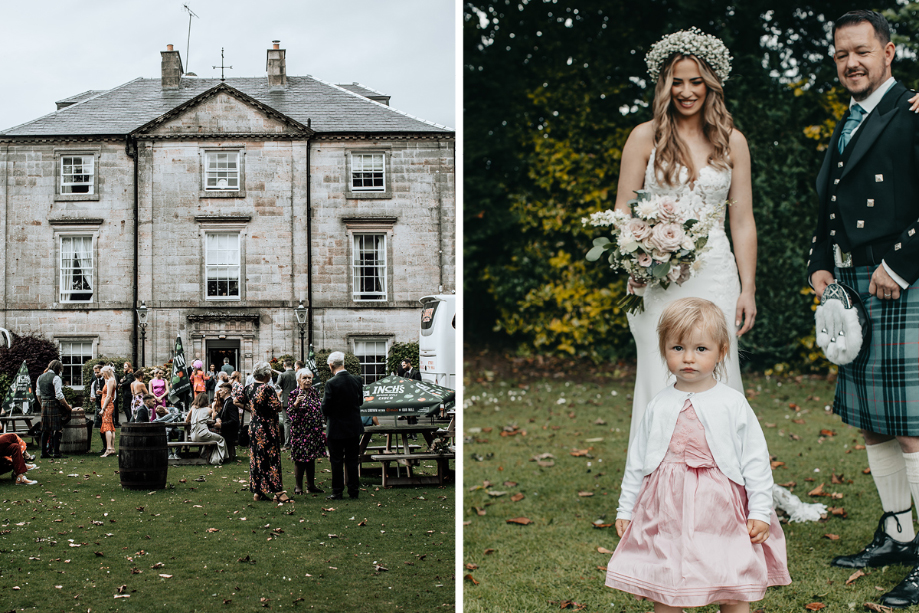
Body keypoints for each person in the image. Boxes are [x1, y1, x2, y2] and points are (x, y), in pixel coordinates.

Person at [806, 10, 919, 609]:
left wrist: (901, 265)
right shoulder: (850, 119)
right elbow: (830, 204)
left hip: (901, 278)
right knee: (875, 417)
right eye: (841, 54)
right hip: (854, 278)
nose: (851, 62)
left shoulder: (912, 111)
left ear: (888, 52)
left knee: (913, 425)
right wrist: (820, 259)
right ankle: (899, 532)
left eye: (862, 51)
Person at [614, 28, 756, 445]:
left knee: (719, 375)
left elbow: (742, 220)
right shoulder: (645, 137)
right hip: (656, 279)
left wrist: (748, 288)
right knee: (660, 374)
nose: (686, 91)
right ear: (664, 84)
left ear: (711, 84)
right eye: (677, 81)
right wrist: (636, 258)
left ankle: (724, 486)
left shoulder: (733, 142)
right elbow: (623, 209)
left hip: (715, 273)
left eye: (696, 81)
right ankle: (657, 486)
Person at [605, 298, 790, 611]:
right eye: (678, 348)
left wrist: (759, 510)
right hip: (666, 510)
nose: (688, 358)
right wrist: (626, 508)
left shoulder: (732, 404)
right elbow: (638, 462)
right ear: (663, 349)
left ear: (721, 351)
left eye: (701, 349)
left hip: (721, 510)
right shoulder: (658, 404)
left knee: (730, 580)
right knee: (667, 582)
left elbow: (755, 461)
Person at [321, 351, 364, 500]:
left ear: (331, 365)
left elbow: (325, 408)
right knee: (352, 460)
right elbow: (360, 402)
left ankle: (337, 491)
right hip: (353, 426)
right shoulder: (357, 380)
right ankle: (353, 491)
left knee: (337, 461)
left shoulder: (331, 383)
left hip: (336, 427)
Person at [246, 361, 289, 502]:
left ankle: (258, 492)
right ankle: (278, 492)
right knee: (272, 458)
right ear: (266, 374)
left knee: (257, 458)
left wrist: (253, 411)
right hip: (267, 428)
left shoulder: (249, 388)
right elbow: (277, 407)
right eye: (269, 372)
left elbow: (237, 400)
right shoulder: (267, 389)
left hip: (254, 427)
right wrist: (278, 395)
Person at [287, 368, 326, 494]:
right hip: (300, 432)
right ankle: (298, 486)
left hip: (314, 431)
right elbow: (290, 415)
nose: (308, 380)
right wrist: (296, 403)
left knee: (311, 458)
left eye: (309, 378)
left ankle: (311, 485)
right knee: (300, 459)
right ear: (299, 380)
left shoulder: (314, 392)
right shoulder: (294, 394)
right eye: (304, 378)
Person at [36, 360, 72, 459]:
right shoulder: (56, 378)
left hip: (44, 403)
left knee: (45, 429)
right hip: (53, 404)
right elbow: (59, 395)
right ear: (58, 369)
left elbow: (38, 394)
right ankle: (56, 453)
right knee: (57, 429)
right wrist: (67, 406)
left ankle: (44, 453)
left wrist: (42, 404)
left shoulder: (40, 377)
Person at [185, 392, 227, 465]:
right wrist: (213, 408)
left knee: (209, 440)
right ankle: (221, 458)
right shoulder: (208, 409)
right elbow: (214, 417)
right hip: (203, 434)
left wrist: (194, 421)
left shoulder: (193, 408)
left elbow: (187, 420)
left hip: (193, 435)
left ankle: (204, 455)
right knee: (221, 439)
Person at [214, 383, 238, 462]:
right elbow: (218, 415)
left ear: (226, 391)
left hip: (230, 432)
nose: (219, 392)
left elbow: (234, 421)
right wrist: (218, 419)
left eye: (221, 390)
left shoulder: (231, 403)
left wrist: (221, 425)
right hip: (225, 431)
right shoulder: (226, 402)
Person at [276, 360, 297, 449]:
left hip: (286, 400)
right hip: (296, 399)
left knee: (287, 422)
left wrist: (281, 390)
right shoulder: (297, 374)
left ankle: (287, 443)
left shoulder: (283, 375)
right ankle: (296, 441)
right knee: (295, 421)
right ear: (292, 364)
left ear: (284, 365)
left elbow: (277, 385)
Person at [99, 365, 117, 457]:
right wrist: (102, 392)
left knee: (107, 427)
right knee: (110, 426)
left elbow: (109, 396)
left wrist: (103, 409)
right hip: (108, 405)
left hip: (107, 406)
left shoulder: (110, 381)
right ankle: (112, 448)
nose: (102, 375)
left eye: (103, 373)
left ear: (106, 372)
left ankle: (109, 448)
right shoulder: (111, 380)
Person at [89, 363, 105, 451]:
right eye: (95, 373)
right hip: (98, 405)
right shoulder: (95, 382)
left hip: (105, 406)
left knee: (106, 426)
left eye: (97, 372)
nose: (96, 374)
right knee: (99, 427)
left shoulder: (106, 381)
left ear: (102, 372)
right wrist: (92, 398)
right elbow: (93, 394)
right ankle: (104, 446)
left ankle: (108, 446)